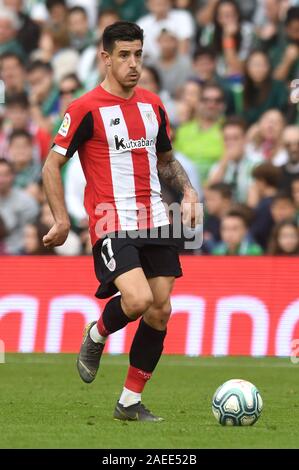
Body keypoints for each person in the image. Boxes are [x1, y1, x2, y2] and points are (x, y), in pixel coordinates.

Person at [42, 21, 200, 422]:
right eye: (125, 55)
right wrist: (61, 220)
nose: (134, 64)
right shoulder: (83, 109)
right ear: (105, 58)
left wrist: (190, 192)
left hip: (156, 219)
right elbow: (51, 165)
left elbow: (166, 160)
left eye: (139, 55)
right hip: (111, 220)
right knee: (138, 300)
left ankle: (129, 402)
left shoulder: (153, 105)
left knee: (160, 310)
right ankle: (96, 334)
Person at [174, 82, 225, 184]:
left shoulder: (228, 129)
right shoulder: (183, 129)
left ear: (223, 105)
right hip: (183, 185)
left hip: (216, 184)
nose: (211, 105)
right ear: (198, 102)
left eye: (217, 101)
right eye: (206, 100)